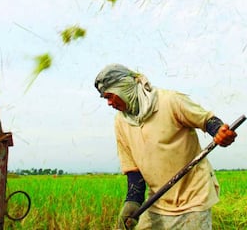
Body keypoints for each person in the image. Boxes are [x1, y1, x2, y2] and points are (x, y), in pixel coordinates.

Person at [94, 64, 237, 230]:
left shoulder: (169, 101)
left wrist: (220, 132)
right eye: (106, 98)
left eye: (110, 96)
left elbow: (206, 120)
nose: (109, 103)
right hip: (157, 201)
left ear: (124, 88)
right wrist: (132, 201)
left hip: (193, 198)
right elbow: (134, 171)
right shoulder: (121, 122)